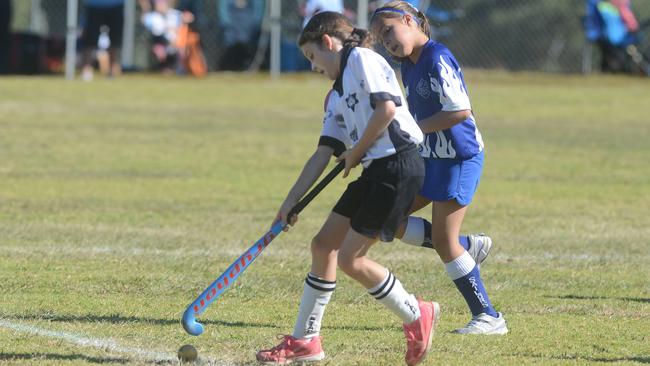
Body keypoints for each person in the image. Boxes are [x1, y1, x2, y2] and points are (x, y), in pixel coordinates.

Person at [256, 11, 439, 366]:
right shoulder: (335, 95)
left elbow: (386, 109)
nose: (313, 67)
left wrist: (356, 151)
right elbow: (323, 153)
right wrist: (289, 202)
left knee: (351, 259)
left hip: (398, 165)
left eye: (312, 56)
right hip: (375, 169)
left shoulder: (360, 59)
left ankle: (417, 313)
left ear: (328, 42)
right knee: (323, 245)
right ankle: (306, 340)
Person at [370, 1, 508, 334]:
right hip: (431, 158)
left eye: (388, 31)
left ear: (409, 20)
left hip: (459, 158)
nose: (386, 42)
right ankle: (467, 246)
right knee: (386, 218)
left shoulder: (437, 56)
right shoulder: (409, 65)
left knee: (445, 243)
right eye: (380, 38)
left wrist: (414, 130)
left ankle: (488, 317)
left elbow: (459, 111)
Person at [218, 0, 265, 71]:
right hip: (232, 29)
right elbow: (224, 16)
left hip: (249, 27)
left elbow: (257, 17)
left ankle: (247, 65)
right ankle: (232, 66)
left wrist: (254, 26)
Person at [140, 0, 183, 73]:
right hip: (161, 43)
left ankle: (180, 68)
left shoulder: (175, 14)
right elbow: (155, 31)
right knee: (159, 49)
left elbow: (181, 29)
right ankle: (165, 67)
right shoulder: (152, 16)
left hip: (177, 42)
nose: (160, 7)